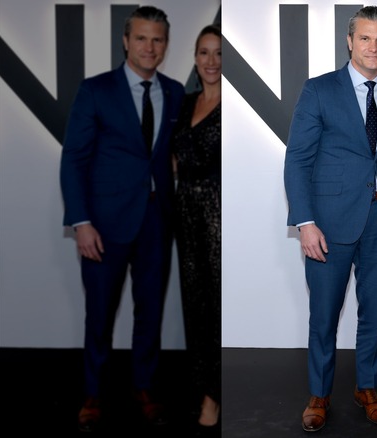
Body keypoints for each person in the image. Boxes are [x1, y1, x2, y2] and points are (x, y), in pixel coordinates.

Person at [283, 5, 377, 433]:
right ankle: (319, 394)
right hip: (328, 224)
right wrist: (305, 222)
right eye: (366, 38)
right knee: (324, 315)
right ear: (350, 41)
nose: (374, 47)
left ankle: (367, 387)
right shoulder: (319, 90)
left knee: (374, 313)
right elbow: (297, 160)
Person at [59, 5, 185, 433]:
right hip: (103, 225)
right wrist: (81, 222)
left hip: (156, 222)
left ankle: (144, 388)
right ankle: (93, 394)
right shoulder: (95, 90)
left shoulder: (173, 92)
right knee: (100, 314)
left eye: (157, 39)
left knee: (150, 312)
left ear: (166, 45)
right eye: (142, 38)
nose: (150, 47)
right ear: (126, 41)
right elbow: (73, 160)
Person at [172, 24, 222, 429]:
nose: (211, 61)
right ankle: (204, 387)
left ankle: (217, 394)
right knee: (195, 304)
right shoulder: (185, 103)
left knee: (218, 305)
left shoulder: (234, 108)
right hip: (186, 214)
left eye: (219, 53)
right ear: (194, 57)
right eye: (204, 52)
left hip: (219, 216)